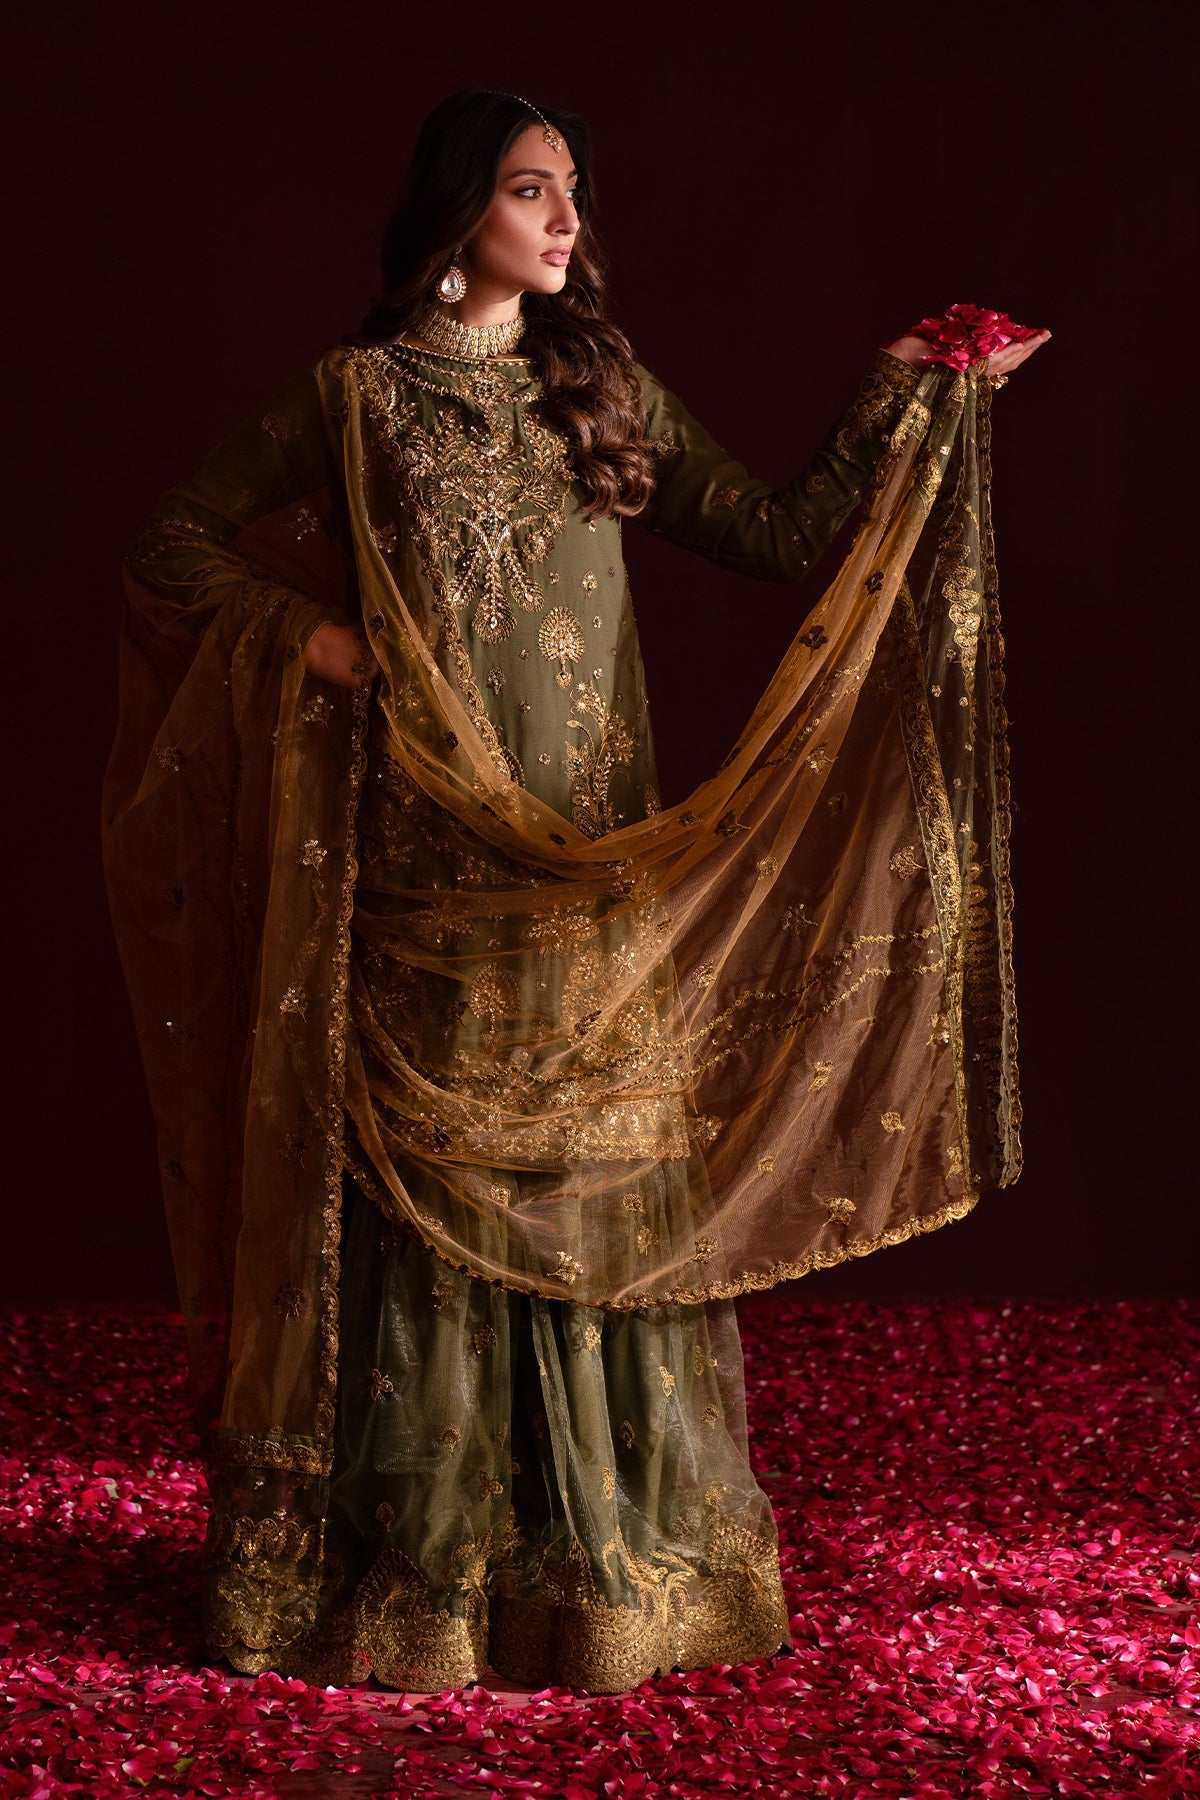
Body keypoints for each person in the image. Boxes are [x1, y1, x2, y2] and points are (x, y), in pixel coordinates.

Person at [103, 89, 1048, 1695]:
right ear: (458, 206)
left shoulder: (597, 388)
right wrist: (315, 642)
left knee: (585, 1180)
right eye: (532, 191)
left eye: (573, 195)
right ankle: (428, 1574)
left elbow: (778, 532)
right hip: (421, 865)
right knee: (431, 1205)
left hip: (590, 859)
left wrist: (911, 390)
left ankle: (593, 1564)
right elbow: (175, 542)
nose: (565, 223)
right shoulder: (354, 398)